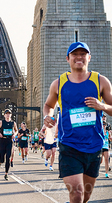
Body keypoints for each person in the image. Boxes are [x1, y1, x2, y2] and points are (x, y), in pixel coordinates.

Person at [43, 41, 112, 202]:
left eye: (83, 54)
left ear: (89, 57)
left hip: (94, 146)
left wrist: (101, 105)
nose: (79, 57)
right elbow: (48, 105)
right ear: (68, 58)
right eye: (75, 54)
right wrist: (48, 116)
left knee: (85, 196)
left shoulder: (101, 81)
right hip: (69, 145)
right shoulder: (58, 83)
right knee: (77, 193)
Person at [0, 109, 18, 180]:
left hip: (9, 141)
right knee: (2, 159)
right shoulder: (1, 122)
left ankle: (6, 174)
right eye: (6, 113)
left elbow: (16, 130)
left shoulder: (13, 123)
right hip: (2, 141)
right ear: (4, 115)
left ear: (11, 115)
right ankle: (0, 162)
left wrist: (14, 135)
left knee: (8, 158)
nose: (8, 115)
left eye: (9, 113)